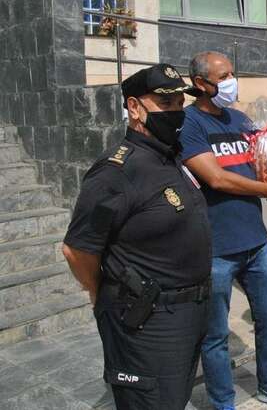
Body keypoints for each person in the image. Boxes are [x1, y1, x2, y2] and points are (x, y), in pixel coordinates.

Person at [62, 64, 212, 410]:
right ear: (134, 107)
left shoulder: (168, 156)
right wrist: (99, 292)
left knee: (172, 399)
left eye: (180, 104)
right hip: (149, 322)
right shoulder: (116, 171)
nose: (176, 113)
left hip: (188, 313)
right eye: (166, 104)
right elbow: (77, 250)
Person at [178, 52, 267, 410]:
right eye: (224, 76)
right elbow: (216, 178)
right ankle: (223, 402)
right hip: (215, 249)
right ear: (200, 83)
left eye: (233, 73)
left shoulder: (240, 118)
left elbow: (262, 161)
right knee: (215, 335)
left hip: (256, 243)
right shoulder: (189, 124)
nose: (232, 82)